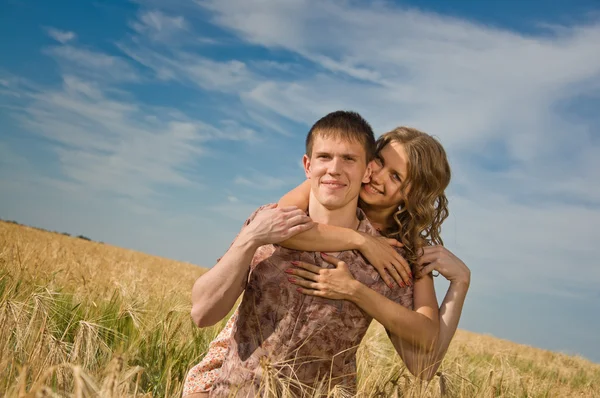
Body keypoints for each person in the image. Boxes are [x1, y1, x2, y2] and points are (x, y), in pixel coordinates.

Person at [185, 115, 469, 397]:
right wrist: (360, 240)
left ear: (414, 194)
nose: (378, 177)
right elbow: (278, 226)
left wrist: (459, 283)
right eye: (380, 163)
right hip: (240, 362)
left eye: (396, 176)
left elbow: (425, 361)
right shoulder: (327, 184)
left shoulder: (398, 254)